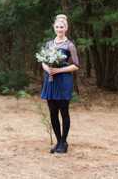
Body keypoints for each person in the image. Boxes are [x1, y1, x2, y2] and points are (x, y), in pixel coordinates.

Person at [40, 14, 80, 154]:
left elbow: (76, 65)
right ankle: (57, 141)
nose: (59, 29)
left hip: (63, 80)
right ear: (54, 28)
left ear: (66, 28)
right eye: (57, 27)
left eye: (61, 27)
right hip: (51, 80)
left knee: (64, 111)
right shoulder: (49, 44)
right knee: (52, 112)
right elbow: (44, 61)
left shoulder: (70, 45)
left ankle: (64, 142)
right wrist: (49, 69)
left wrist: (59, 70)